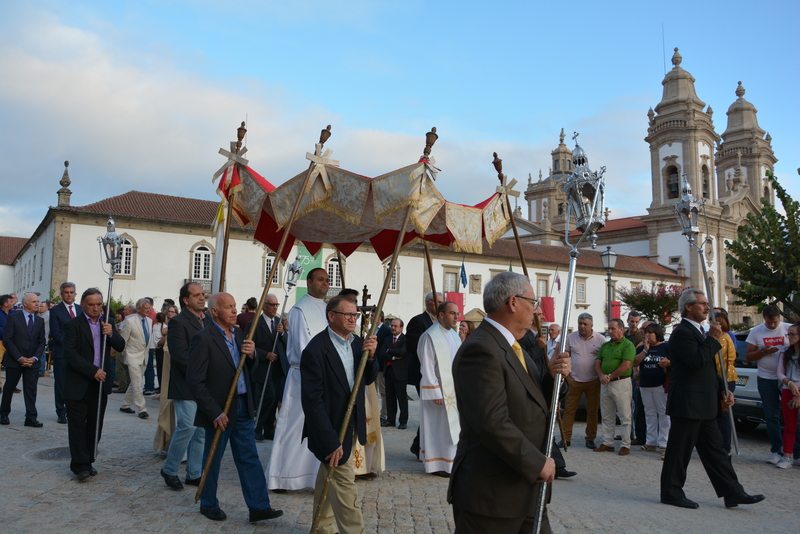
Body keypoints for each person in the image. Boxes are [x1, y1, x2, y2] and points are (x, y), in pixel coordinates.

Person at [448, 272, 571, 533]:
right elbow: (491, 422)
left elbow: (534, 401)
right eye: (533, 302)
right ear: (513, 302)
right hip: (493, 496)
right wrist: (536, 463)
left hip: (525, 490)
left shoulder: (516, 348)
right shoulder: (480, 349)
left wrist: (554, 378)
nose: (536, 310)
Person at [660, 288, 764, 510]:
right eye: (702, 304)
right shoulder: (682, 333)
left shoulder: (699, 332)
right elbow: (696, 361)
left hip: (705, 403)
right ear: (688, 307)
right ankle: (671, 493)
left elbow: (708, 368)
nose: (707, 307)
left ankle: (733, 492)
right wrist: (713, 339)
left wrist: (723, 389)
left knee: (716, 452)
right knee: (679, 452)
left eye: (707, 304)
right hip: (687, 403)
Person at [186, 292, 283, 523]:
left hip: (242, 405)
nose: (233, 311)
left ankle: (259, 506)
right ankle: (208, 503)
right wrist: (214, 412)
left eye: (233, 306)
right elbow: (195, 381)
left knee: (249, 457)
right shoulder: (204, 338)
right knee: (213, 457)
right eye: (228, 307)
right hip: (219, 410)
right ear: (215, 312)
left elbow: (248, 367)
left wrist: (251, 356)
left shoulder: (239, 333)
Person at [300, 294, 378, 534]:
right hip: (332, 429)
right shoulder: (316, 350)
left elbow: (368, 378)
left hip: (351, 423)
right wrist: (330, 441)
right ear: (331, 316)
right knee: (345, 486)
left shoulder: (356, 342)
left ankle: (321, 528)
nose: (353, 319)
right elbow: (312, 402)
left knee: (329, 475)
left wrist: (372, 356)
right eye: (348, 314)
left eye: (355, 315)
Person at [267, 268, 330, 490]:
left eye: (327, 280)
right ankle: (283, 477)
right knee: (295, 426)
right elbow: (305, 348)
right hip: (304, 375)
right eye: (320, 280)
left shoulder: (329, 309)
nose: (325, 284)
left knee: (318, 426)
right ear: (309, 282)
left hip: (323, 376)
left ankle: (312, 477)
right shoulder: (299, 310)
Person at [62, 287, 125, 481]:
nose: (96, 308)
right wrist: (92, 370)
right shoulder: (73, 325)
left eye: (99, 304)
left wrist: (112, 334)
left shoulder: (108, 322)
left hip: (100, 386)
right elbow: (70, 355)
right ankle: (79, 465)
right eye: (91, 305)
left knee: (95, 426)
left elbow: (120, 346)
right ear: (83, 305)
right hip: (79, 383)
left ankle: (88, 460)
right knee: (78, 426)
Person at [160, 282, 210, 490]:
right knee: (187, 426)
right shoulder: (178, 322)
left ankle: (194, 473)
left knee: (200, 431)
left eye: (203, 294)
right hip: (186, 383)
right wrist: (201, 374)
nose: (202, 298)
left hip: (204, 384)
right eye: (196, 295)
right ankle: (170, 469)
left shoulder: (206, 321)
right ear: (185, 300)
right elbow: (180, 357)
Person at [418, 301, 462, 476]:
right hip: (438, 391)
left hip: (454, 390)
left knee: (452, 428)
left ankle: (451, 463)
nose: (456, 317)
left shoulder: (455, 335)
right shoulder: (430, 336)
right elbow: (427, 364)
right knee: (438, 429)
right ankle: (437, 464)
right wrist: (435, 390)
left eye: (457, 314)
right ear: (441, 315)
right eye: (452, 313)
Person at [745, 305, 791, 464]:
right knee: (771, 416)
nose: (772, 325)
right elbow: (749, 356)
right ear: (764, 318)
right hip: (766, 378)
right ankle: (776, 451)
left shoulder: (788, 328)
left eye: (775, 322)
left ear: (780, 318)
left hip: (786, 377)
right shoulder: (756, 331)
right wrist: (763, 351)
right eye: (769, 322)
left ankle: (794, 452)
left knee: (793, 415)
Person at [558, 313, 605, 449]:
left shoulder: (601, 339)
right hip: (574, 380)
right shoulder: (570, 338)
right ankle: (565, 438)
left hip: (593, 380)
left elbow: (604, 359)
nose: (582, 326)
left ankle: (590, 439)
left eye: (585, 324)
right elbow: (565, 356)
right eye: (580, 323)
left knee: (592, 411)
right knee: (569, 410)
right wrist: (567, 376)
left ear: (592, 325)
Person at [405, 291, 443, 458]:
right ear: (428, 303)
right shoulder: (418, 321)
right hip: (423, 372)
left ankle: (419, 445)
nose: (440, 304)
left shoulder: (441, 322)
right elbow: (412, 345)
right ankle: (420, 445)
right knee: (429, 409)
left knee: (434, 410)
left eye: (442, 301)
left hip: (440, 373)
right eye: (437, 301)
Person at [0, 293, 46, 426]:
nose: (37, 304)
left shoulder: (39, 320)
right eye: (34, 302)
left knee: (31, 389)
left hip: (32, 361)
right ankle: (3, 414)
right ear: (25, 304)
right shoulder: (13, 318)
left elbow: (41, 342)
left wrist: (35, 358)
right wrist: (19, 358)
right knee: (9, 387)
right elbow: (7, 340)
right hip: (15, 360)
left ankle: (31, 417)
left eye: (38, 301)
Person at [593, 318, 636, 455]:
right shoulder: (605, 346)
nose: (610, 331)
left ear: (621, 329)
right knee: (606, 414)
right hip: (605, 383)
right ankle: (608, 442)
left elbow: (627, 365)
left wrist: (610, 376)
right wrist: (601, 375)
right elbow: (597, 363)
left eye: (613, 329)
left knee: (624, 415)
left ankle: (625, 444)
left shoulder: (627, 345)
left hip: (621, 382)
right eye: (609, 329)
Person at [248, 293, 286, 441]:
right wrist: (264, 354)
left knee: (275, 397)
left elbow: (286, 342)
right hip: (263, 367)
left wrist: (282, 334)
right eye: (272, 304)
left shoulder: (278, 322)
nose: (275, 307)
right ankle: (258, 428)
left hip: (277, 367)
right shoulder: (255, 323)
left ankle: (269, 430)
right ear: (264, 306)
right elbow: (249, 345)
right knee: (268, 396)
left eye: (276, 305)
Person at [633, 323, 670, 455]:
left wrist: (668, 363)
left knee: (663, 413)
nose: (647, 335)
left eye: (651, 333)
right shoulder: (642, 348)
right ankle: (651, 441)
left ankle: (664, 443)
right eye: (646, 332)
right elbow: (635, 362)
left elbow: (674, 362)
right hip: (645, 384)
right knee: (649, 413)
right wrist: (645, 351)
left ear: (657, 334)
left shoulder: (666, 347)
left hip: (660, 384)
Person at [49, 283, 82, 424]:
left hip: (79, 353)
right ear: (62, 294)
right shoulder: (56, 310)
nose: (69, 294)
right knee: (61, 383)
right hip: (62, 352)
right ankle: (61, 412)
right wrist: (70, 346)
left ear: (75, 294)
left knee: (77, 382)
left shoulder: (81, 309)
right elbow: (55, 332)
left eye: (71, 292)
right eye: (66, 292)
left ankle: (74, 410)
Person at [119, 298, 153, 419]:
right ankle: (141, 409)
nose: (149, 310)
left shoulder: (149, 321)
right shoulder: (130, 321)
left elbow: (147, 338)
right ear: (139, 309)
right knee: (138, 383)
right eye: (146, 308)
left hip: (144, 356)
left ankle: (125, 404)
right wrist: (125, 355)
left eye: (150, 308)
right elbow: (123, 340)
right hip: (132, 355)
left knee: (135, 383)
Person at [710, 310, 738, 455]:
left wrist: (725, 382)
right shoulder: (713, 338)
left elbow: (729, 360)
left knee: (724, 413)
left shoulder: (726, 338)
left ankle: (725, 447)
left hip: (725, 378)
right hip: (716, 378)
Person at [776, 323, 800, 469]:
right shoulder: (785, 353)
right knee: (789, 426)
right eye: (788, 334)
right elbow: (779, 373)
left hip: (797, 391)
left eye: (793, 334)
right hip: (787, 391)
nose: (789, 337)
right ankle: (787, 456)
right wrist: (790, 383)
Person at [378, 318, 408, 429]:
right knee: (390, 397)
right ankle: (391, 420)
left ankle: (403, 421)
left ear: (401, 328)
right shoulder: (387, 339)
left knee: (402, 398)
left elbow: (402, 352)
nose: (393, 328)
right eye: (392, 326)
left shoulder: (405, 339)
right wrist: (394, 356)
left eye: (395, 326)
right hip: (389, 371)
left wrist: (388, 350)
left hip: (400, 373)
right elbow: (381, 353)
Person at [370, 308, 391, 424]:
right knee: (373, 391)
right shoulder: (371, 330)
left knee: (383, 392)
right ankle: (373, 414)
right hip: (372, 364)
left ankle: (384, 415)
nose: (370, 318)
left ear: (379, 317)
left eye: (373, 316)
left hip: (381, 365)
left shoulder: (386, 330)